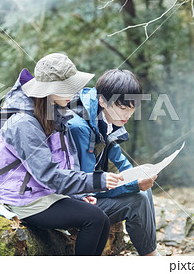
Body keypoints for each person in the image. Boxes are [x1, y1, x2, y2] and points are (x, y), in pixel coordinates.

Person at [0, 53, 123, 256]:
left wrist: (76, 195)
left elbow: (65, 164)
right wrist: (98, 180)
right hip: (23, 200)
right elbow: (50, 175)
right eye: (66, 87)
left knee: (101, 219)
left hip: (44, 193)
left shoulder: (54, 115)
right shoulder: (23, 124)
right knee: (94, 220)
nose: (74, 91)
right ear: (49, 90)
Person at [68, 69, 159, 256]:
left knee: (144, 190)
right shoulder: (80, 127)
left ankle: (150, 253)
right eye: (123, 107)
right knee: (138, 200)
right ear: (102, 100)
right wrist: (133, 185)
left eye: (132, 108)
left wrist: (138, 175)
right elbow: (86, 186)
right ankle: (151, 258)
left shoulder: (107, 121)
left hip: (87, 192)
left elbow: (119, 162)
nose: (127, 114)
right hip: (73, 200)